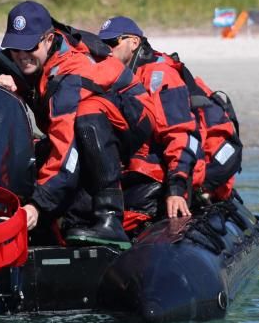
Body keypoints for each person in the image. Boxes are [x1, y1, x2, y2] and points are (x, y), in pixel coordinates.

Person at [0, 0, 187, 250]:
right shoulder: (41, 58)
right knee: (41, 148)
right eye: (15, 48)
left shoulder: (71, 73)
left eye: (29, 46)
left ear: (48, 38)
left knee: (85, 118)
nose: (21, 56)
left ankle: (110, 218)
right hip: (92, 115)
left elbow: (64, 150)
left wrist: (38, 204)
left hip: (133, 117)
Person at [99, 16, 242, 205]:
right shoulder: (122, 75)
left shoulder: (159, 76)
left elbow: (180, 133)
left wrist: (177, 188)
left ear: (134, 42)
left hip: (189, 168)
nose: (105, 50)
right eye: (101, 44)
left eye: (111, 43)